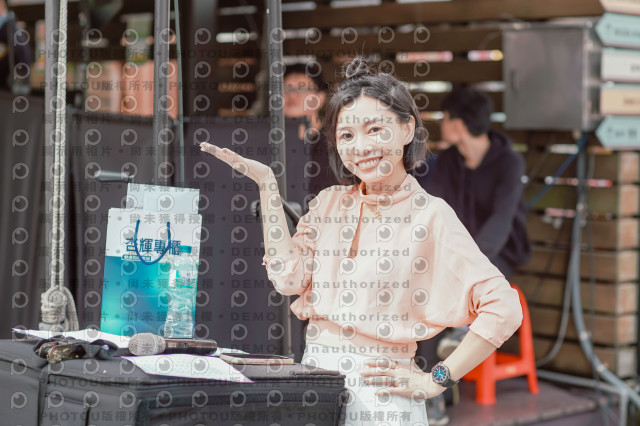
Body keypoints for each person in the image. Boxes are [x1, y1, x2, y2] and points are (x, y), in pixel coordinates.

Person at [200, 57, 523, 426]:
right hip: (315, 387)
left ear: (407, 128)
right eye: (347, 135)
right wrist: (267, 188)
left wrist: (436, 380)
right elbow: (288, 279)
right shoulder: (329, 202)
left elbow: (504, 307)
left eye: (375, 129)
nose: (361, 146)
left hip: (382, 398)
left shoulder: (430, 214)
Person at [423, 86, 532, 364]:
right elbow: (433, 209)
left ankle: (457, 340)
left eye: (444, 117)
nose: (442, 124)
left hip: (499, 254)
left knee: (458, 285)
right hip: (455, 253)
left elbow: (500, 225)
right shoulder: (449, 160)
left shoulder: (509, 162)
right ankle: (434, 376)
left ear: (457, 125)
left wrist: (467, 265)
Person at [283, 63, 340, 203]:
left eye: (302, 88)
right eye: (285, 89)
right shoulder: (271, 143)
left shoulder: (337, 143)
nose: (292, 95)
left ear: (320, 98)